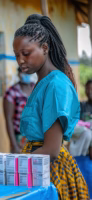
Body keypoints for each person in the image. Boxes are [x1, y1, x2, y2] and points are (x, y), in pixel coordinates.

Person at [14, 14, 89, 199]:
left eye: (26, 53)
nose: (20, 60)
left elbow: (51, 150)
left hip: (49, 171)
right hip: (36, 165)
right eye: (17, 55)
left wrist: (11, 164)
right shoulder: (42, 83)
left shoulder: (56, 85)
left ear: (45, 48)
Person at [3, 67, 34, 153]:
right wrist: (14, 145)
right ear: (18, 74)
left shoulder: (36, 88)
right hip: (19, 138)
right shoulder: (12, 92)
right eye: (23, 72)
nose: (26, 74)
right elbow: (8, 120)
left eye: (28, 72)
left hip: (36, 136)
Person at [69, 80, 92, 159]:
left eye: (91, 89)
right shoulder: (81, 105)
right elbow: (74, 124)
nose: (89, 91)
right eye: (87, 89)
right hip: (82, 146)